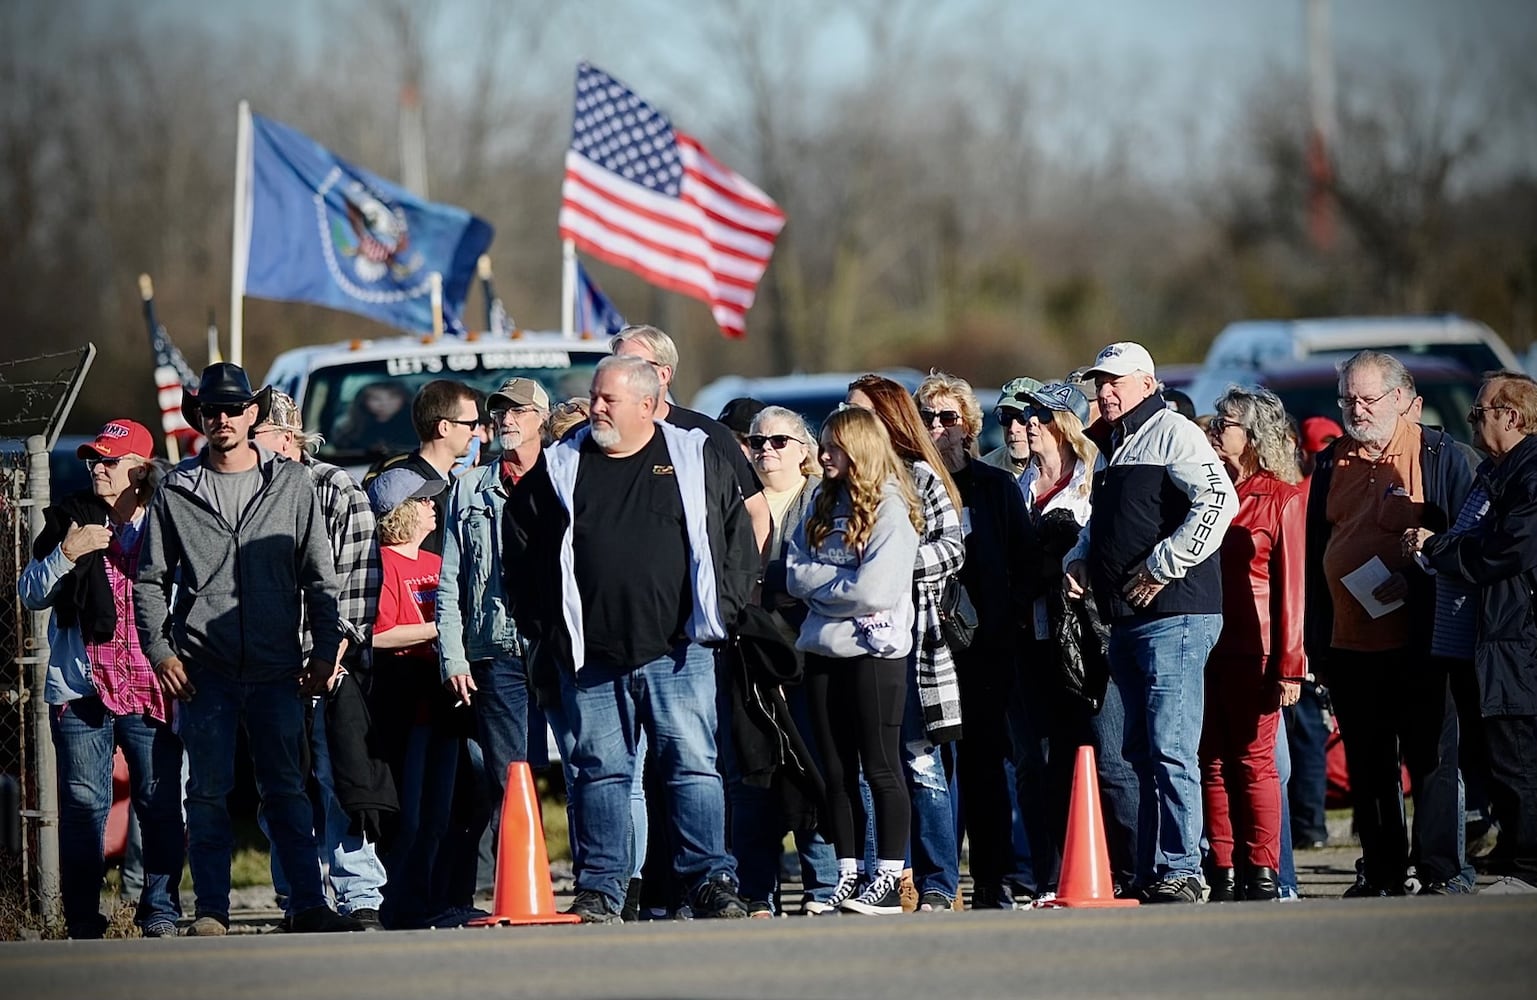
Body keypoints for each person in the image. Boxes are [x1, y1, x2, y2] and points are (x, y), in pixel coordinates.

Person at [501, 355, 758, 923]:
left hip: (680, 651)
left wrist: (729, 610)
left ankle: (709, 880)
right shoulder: (563, 465)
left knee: (693, 767)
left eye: (607, 399)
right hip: (591, 658)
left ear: (647, 404)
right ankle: (601, 889)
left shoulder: (695, 456)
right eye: (594, 396)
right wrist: (541, 625)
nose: (595, 407)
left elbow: (737, 537)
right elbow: (518, 540)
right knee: (600, 772)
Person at [134, 362, 361, 935]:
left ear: (253, 414)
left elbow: (319, 576)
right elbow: (149, 580)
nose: (223, 418)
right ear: (200, 419)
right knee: (206, 793)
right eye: (212, 410)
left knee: (287, 790)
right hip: (204, 668)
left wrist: (324, 649)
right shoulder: (176, 490)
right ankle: (212, 910)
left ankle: (308, 905)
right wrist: (162, 652)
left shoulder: (291, 483)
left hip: (278, 664)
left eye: (234, 408)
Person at [1064, 342, 1237, 903]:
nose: (1105, 391)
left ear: (1146, 381)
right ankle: (1151, 869)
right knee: (1139, 752)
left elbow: (1219, 499)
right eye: (1100, 381)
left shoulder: (1172, 429)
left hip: (1176, 616)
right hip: (1127, 619)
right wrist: (1083, 555)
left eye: (1115, 381)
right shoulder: (1114, 444)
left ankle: (1184, 868)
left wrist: (1165, 563)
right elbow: (1109, 522)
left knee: (1170, 748)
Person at [1304, 349, 1474, 897]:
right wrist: (1316, 640)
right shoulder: (1332, 461)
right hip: (1351, 641)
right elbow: (1315, 552)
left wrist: (1422, 575)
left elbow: (1468, 542)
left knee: (1431, 760)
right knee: (1368, 764)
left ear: (1403, 400)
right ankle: (1381, 870)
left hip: (1424, 640)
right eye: (1347, 398)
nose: (1356, 408)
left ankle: (1442, 870)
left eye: (1367, 398)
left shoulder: (1441, 455)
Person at [19, 419, 183, 939]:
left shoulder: (167, 519)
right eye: (94, 460)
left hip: (151, 684)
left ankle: (160, 911)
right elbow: (29, 592)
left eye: (110, 461)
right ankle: (83, 920)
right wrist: (69, 553)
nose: (98, 469)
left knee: (158, 801)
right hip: (83, 687)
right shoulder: (71, 517)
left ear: (141, 468)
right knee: (84, 805)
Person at [251, 392, 387, 928]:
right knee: (279, 785)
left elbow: (359, 576)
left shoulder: (335, 488)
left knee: (338, 780)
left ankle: (360, 896)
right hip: (265, 663)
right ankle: (300, 897)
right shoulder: (244, 491)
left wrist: (335, 652)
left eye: (255, 436)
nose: (243, 447)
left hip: (329, 660)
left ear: (286, 437)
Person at [788, 406, 923, 915]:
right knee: (835, 772)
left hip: (874, 653)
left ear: (859, 450)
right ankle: (848, 875)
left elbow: (876, 588)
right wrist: (833, 588)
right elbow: (792, 572)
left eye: (832, 447)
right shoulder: (821, 502)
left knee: (882, 767)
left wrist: (823, 590)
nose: (822, 455)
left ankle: (887, 877)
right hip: (822, 650)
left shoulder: (891, 507)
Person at [1008, 380, 1139, 901]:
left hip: (1091, 642)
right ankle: (1054, 875)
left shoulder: (1092, 479)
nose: (1029, 425)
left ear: (1065, 425)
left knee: (1110, 761)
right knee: (1042, 764)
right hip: (1035, 640)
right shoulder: (1018, 485)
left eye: (1041, 416)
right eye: (1027, 416)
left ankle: (1136, 869)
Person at [1411, 371, 1537, 889]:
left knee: (1518, 761)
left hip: (1517, 640)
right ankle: (1516, 856)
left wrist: (1437, 548)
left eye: (1479, 412)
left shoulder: (1530, 472)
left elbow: (1507, 550)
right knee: (1498, 759)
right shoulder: (1498, 470)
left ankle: (1529, 869)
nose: (1472, 422)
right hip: (1492, 640)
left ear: (1510, 416)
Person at [914, 372, 1035, 909]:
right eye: (929, 418)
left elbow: (1025, 565)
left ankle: (992, 879)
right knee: (932, 767)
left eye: (949, 418)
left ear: (969, 426)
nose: (939, 428)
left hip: (987, 648)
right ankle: (935, 882)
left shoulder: (995, 487)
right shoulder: (913, 488)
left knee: (987, 768)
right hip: (927, 646)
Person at [846, 374, 966, 912]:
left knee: (918, 763)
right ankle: (882, 879)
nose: (849, 421)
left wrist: (891, 567)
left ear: (888, 420)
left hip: (916, 647)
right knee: (869, 766)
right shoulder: (841, 482)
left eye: (861, 412)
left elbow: (952, 547)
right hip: (854, 647)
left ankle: (940, 883)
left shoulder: (919, 476)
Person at [1200, 387, 1306, 902]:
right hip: (1205, 645)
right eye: (1218, 420)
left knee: (1254, 760)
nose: (1218, 429)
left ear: (1255, 435)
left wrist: (1290, 665)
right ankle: (1222, 868)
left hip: (1257, 648)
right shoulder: (1206, 488)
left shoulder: (1282, 497)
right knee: (1212, 759)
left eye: (1228, 422)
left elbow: (1294, 589)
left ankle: (1262, 871)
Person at [735, 405, 840, 915]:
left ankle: (822, 887)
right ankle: (756, 889)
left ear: (806, 452)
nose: (766, 451)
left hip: (807, 655)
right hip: (746, 659)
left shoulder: (821, 503)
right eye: (757, 442)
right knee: (753, 773)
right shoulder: (734, 502)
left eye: (779, 441)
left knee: (811, 771)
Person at [439, 378, 544, 819]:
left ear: (543, 418)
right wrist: (453, 657)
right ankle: (516, 885)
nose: (507, 420)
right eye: (500, 412)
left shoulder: (565, 477)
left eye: (519, 411)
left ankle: (598, 885)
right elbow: (449, 581)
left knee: (586, 771)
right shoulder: (469, 488)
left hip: (559, 646)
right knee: (507, 778)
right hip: (496, 649)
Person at [366, 468, 456, 928]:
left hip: (442, 702)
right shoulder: (384, 564)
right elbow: (378, 634)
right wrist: (440, 629)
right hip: (405, 702)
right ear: (400, 512)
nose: (432, 506)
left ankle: (430, 899)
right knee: (412, 814)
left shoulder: (436, 564)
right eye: (422, 501)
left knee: (440, 814)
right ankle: (399, 903)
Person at [609, 324, 771, 552]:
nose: (620, 374)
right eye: (615, 365)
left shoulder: (707, 436)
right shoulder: (599, 437)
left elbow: (756, 511)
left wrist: (750, 582)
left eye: (632, 365)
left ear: (663, 374)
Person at [1286, 415, 1343, 850]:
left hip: (1305, 624)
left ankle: (1307, 825)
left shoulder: (1302, 496)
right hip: (1339, 619)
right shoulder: (1345, 491)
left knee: (1305, 730)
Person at [367, 379, 483, 555]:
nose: (476, 433)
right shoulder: (412, 494)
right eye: (471, 424)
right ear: (444, 427)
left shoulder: (447, 482)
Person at [980, 376, 1043, 479]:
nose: (1013, 429)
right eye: (1006, 417)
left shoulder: (1070, 469)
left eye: (1023, 417)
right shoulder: (984, 473)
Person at [335, 381, 415, 456]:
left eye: (392, 397)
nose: (384, 403)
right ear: (363, 401)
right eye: (375, 398)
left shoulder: (416, 424)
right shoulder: (349, 427)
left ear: (404, 398)